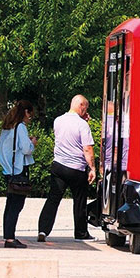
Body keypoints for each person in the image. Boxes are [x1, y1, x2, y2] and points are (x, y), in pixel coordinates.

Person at [37, 94, 97, 241]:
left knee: (53, 199)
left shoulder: (58, 120)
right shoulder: (83, 125)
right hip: (76, 168)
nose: (86, 110)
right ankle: (81, 233)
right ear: (81, 106)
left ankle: (43, 230)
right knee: (79, 201)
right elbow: (87, 149)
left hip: (58, 166)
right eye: (86, 107)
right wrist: (93, 168)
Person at [0, 100, 37, 248]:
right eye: (30, 115)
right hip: (19, 170)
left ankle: (8, 236)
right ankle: (10, 238)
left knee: (10, 205)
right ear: (25, 112)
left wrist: (6, 166)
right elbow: (26, 149)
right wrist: (33, 143)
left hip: (9, 170)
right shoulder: (20, 127)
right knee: (16, 205)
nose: (30, 118)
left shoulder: (8, 127)